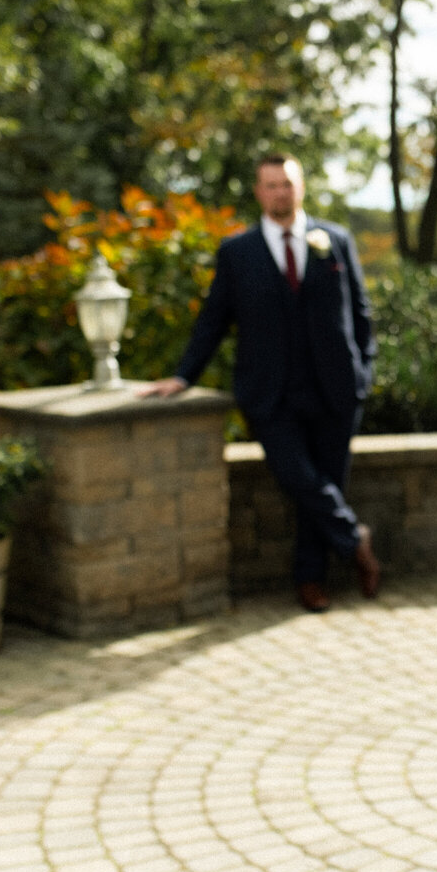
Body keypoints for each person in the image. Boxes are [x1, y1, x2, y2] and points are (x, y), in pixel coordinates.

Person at [141, 152, 381, 613]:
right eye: (271, 185)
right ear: (259, 192)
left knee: (327, 481)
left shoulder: (335, 240)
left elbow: (361, 313)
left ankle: (311, 581)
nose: (280, 193)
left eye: (287, 183)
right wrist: (183, 375)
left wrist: (363, 372)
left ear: (301, 187)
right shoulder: (237, 252)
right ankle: (355, 539)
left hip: (336, 390)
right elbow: (213, 320)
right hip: (271, 395)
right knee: (299, 479)